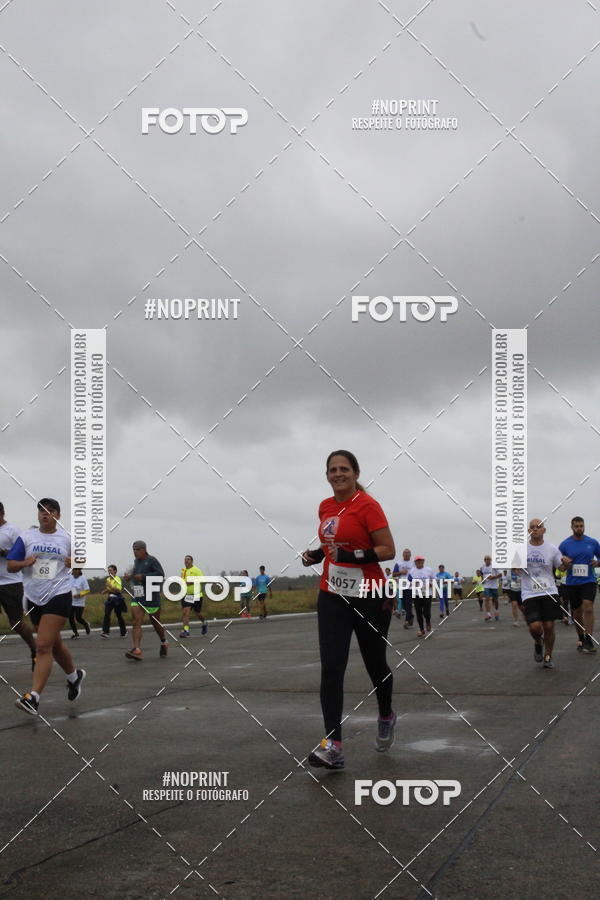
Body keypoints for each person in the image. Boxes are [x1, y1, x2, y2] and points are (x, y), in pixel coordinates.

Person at [302, 450, 396, 770]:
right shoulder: (325, 507)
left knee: (374, 663)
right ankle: (334, 746)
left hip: (369, 594)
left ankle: (386, 714)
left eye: (344, 469)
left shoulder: (368, 506)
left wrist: (353, 557)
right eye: (332, 469)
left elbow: (387, 549)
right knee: (332, 667)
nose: (338, 473)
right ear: (326, 475)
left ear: (355, 473)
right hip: (332, 594)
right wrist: (316, 556)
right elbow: (333, 546)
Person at [7, 498, 85, 715]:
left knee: (42, 645)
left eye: (50, 511)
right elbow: (11, 565)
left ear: (58, 516)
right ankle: (74, 676)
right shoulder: (26, 537)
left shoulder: (67, 537)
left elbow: (81, 561)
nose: (45, 514)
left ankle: (33, 697)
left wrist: (75, 563)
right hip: (33, 597)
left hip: (59, 594)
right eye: (41, 510)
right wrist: (24, 563)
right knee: (55, 644)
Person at [518, 519, 564, 668]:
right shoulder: (521, 548)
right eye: (532, 527)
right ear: (528, 531)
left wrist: (567, 564)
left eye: (539, 527)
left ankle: (548, 656)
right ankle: (538, 642)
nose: (535, 529)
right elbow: (515, 568)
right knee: (535, 627)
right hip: (529, 592)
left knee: (549, 626)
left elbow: (561, 568)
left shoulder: (552, 548)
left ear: (544, 530)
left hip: (549, 590)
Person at [0, 501, 37, 669]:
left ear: (2, 513)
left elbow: (24, 554)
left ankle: (34, 648)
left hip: (11, 582)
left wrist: (3, 552)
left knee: (15, 623)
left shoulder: (13, 530)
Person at [558, 516, 600, 653]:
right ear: (572, 527)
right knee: (576, 613)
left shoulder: (592, 542)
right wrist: (564, 564)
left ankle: (588, 638)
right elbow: (559, 566)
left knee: (588, 607)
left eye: (581, 526)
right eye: (576, 526)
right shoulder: (565, 544)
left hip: (589, 581)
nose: (579, 528)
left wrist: (598, 563)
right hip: (572, 583)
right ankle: (581, 637)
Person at [124, 540, 167, 661]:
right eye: (133, 549)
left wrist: (144, 577)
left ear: (144, 549)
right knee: (136, 621)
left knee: (155, 622)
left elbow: (160, 575)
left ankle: (164, 642)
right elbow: (134, 577)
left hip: (151, 597)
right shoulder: (135, 562)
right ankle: (137, 649)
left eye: (137, 549)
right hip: (138, 595)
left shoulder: (152, 560)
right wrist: (129, 578)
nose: (135, 552)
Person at [179, 554, 208, 637]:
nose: (186, 561)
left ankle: (204, 623)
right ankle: (186, 630)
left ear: (192, 561)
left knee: (198, 613)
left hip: (197, 595)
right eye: (185, 559)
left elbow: (202, 579)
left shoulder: (196, 570)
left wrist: (191, 582)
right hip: (187, 595)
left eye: (188, 559)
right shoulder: (183, 570)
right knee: (185, 612)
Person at [408, 556, 436, 636]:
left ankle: (428, 622)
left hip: (427, 594)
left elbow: (435, 579)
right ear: (415, 562)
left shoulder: (428, 570)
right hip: (416, 594)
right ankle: (421, 629)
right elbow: (409, 581)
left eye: (420, 561)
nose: (419, 562)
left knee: (426, 612)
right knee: (418, 613)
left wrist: (431, 584)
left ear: (423, 561)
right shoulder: (412, 571)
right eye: (417, 561)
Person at [101, 565, 127, 637]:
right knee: (107, 614)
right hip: (110, 598)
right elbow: (109, 588)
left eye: (111, 570)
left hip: (117, 598)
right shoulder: (108, 579)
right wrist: (105, 591)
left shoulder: (117, 579)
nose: (109, 572)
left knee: (118, 615)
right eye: (108, 570)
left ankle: (123, 631)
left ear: (115, 571)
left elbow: (118, 589)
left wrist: (111, 586)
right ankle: (105, 632)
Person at [69, 568, 91, 638]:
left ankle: (86, 625)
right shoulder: (70, 577)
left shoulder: (83, 578)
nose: (75, 571)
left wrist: (79, 595)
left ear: (79, 571)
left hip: (80, 602)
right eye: (74, 570)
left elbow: (87, 590)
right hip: (71, 601)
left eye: (76, 570)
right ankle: (76, 633)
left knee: (78, 617)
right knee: (70, 617)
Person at [396, 549, 413, 628]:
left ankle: (406, 621)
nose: (406, 554)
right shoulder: (398, 563)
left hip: (410, 587)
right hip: (401, 586)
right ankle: (411, 615)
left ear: (410, 555)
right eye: (405, 553)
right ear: (402, 555)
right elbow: (394, 574)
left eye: (408, 553)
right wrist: (401, 572)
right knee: (403, 603)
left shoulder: (413, 564)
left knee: (408, 603)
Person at [481, 556, 502, 621]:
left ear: (491, 560)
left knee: (495, 600)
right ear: (484, 560)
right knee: (487, 599)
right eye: (486, 559)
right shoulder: (482, 567)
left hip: (494, 586)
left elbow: (500, 574)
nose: (487, 560)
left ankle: (496, 611)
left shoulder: (494, 566)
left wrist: (493, 577)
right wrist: (483, 580)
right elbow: (482, 574)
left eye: (488, 559)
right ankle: (488, 614)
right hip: (486, 586)